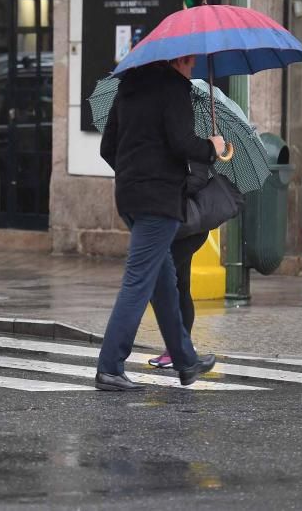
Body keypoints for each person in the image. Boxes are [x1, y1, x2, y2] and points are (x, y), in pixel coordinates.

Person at [95, 55, 224, 391]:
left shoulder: (127, 88)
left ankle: (185, 361)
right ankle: (109, 367)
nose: (192, 68)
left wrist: (133, 171)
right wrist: (212, 147)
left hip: (130, 197)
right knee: (138, 282)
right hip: (160, 199)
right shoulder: (173, 88)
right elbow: (181, 142)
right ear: (177, 60)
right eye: (191, 63)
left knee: (164, 283)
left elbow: (108, 147)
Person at [147, 160, 211, 369]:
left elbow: (198, 179)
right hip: (173, 223)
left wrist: (166, 187)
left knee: (160, 283)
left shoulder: (192, 135)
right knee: (179, 285)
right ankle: (179, 349)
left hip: (188, 226)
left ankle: (180, 349)